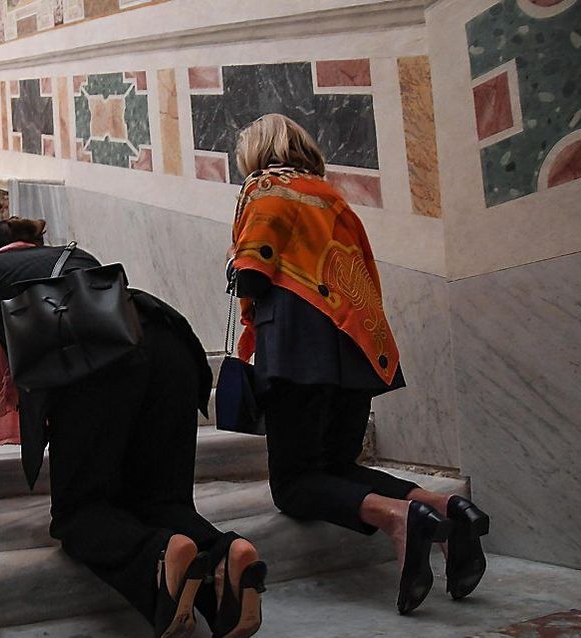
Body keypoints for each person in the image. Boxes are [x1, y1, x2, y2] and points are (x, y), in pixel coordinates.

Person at [0, 218, 268, 638]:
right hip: (168, 341)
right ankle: (225, 557)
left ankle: (158, 557)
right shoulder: (75, 256)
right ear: (32, 243)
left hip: (100, 362)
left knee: (79, 514)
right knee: (161, 503)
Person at [227, 114, 490, 615]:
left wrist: (241, 273)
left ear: (258, 152)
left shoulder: (265, 188)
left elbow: (254, 267)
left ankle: (397, 518)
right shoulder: (332, 197)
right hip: (356, 347)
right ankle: (444, 507)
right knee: (337, 467)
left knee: (294, 484)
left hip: (298, 348)